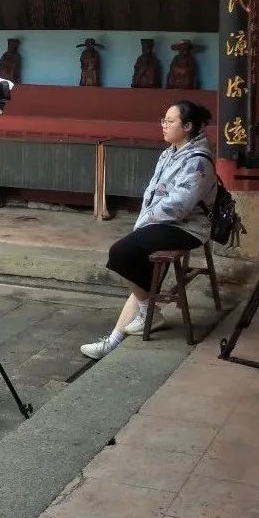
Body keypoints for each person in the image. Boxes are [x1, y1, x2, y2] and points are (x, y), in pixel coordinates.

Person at [80, 101, 216, 359]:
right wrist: (144, 222)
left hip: (187, 228)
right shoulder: (169, 153)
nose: (164, 125)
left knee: (121, 253)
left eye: (170, 121)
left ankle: (145, 315)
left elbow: (180, 205)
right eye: (163, 120)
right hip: (162, 224)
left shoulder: (198, 161)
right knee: (135, 258)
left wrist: (144, 223)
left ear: (187, 126)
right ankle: (117, 337)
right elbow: (152, 195)